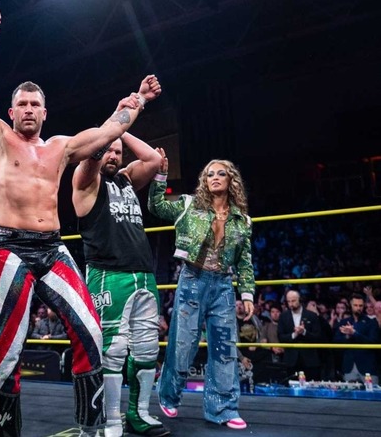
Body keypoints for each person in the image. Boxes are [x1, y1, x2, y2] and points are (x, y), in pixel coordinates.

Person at [0, 11, 158, 436]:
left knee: (90, 331)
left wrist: (138, 100)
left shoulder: (61, 148)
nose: (29, 110)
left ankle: (91, 428)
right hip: (11, 247)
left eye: (35, 104)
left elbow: (106, 133)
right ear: (11, 110)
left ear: (45, 112)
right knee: (8, 347)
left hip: (53, 247)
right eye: (23, 104)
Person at [71, 131, 169, 437]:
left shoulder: (126, 179)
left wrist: (123, 132)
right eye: (108, 150)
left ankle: (140, 414)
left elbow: (153, 159)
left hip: (143, 274)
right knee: (112, 349)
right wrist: (109, 133)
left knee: (147, 348)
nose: (113, 156)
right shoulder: (86, 181)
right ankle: (111, 420)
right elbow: (90, 160)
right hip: (108, 274)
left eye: (118, 151)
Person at [149, 151, 255, 430]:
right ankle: (169, 395)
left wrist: (247, 294)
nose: (215, 177)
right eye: (210, 174)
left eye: (220, 173)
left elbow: (244, 260)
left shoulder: (242, 220)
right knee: (183, 344)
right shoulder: (189, 205)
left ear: (231, 180)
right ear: (204, 181)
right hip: (192, 279)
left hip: (223, 285)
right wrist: (161, 174)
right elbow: (156, 206)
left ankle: (224, 408)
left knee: (224, 347)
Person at [278, 290, 322, 381]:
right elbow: (281, 337)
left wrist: (304, 332)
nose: (291, 304)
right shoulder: (283, 316)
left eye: (293, 301)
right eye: (288, 301)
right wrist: (294, 334)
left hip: (309, 360)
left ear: (300, 300)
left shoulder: (312, 316)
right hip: (291, 360)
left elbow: (318, 336)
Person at [334, 294, 379, 384]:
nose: (358, 308)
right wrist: (347, 337)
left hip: (367, 366)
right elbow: (336, 342)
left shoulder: (371, 323)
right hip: (349, 366)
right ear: (351, 305)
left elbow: (373, 342)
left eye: (360, 306)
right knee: (349, 392)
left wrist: (354, 333)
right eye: (355, 305)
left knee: (372, 392)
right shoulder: (344, 322)